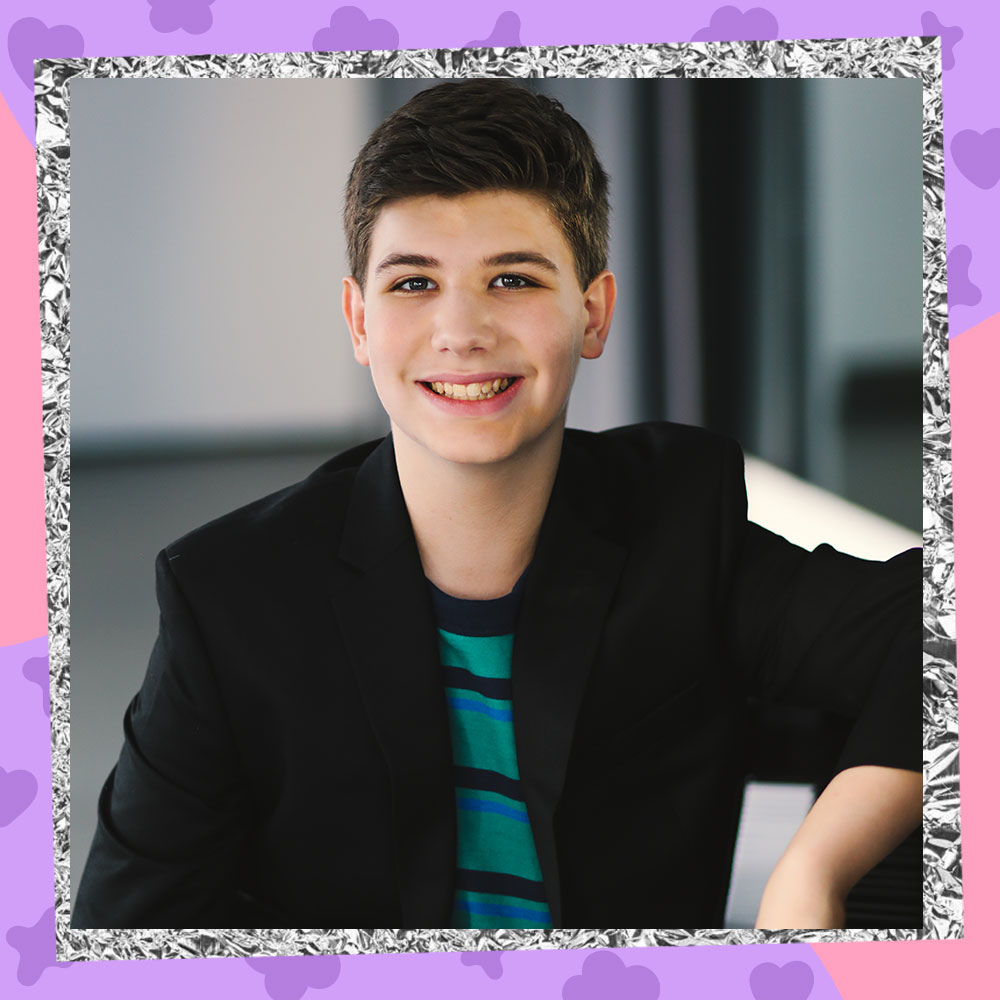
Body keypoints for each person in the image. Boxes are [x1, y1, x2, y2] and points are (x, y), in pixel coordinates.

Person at [73, 80, 921, 931]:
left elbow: (951, 619)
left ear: (592, 313)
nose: (462, 329)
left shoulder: (678, 521)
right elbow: (127, 935)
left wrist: (814, 867)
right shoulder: (229, 597)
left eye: (511, 278)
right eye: (413, 284)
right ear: (358, 320)